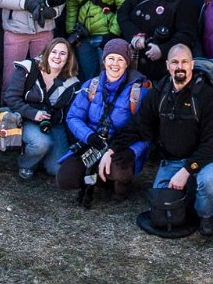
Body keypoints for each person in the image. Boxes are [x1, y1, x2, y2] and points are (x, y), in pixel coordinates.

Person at [102, 44, 213, 236]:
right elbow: (138, 127)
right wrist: (111, 150)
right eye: (175, 62)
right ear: (168, 65)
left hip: (205, 159)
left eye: (184, 62)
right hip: (172, 160)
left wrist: (187, 170)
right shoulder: (159, 93)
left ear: (191, 65)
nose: (180, 67)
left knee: (211, 184)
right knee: (160, 204)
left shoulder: (208, 97)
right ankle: (190, 193)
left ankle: (206, 215)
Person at [56, 39, 150, 203]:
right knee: (65, 179)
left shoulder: (138, 91)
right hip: (93, 142)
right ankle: (99, 179)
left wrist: (132, 152)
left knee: (119, 170)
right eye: (111, 58)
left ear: (127, 63)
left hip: (120, 146)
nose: (115, 64)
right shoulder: (91, 85)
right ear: (104, 60)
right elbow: (73, 117)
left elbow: (146, 130)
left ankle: (120, 187)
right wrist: (89, 136)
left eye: (121, 59)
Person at [2, 38, 81, 180]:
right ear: (47, 53)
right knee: (41, 143)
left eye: (62, 53)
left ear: (68, 58)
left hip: (52, 124)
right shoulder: (28, 68)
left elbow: (68, 114)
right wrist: (33, 113)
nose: (57, 57)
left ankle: (42, 156)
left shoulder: (72, 82)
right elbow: (11, 98)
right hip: (26, 117)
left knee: (57, 169)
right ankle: (27, 164)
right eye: (54, 52)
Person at [117, 0, 197, 81]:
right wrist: (135, 36)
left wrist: (163, 50)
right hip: (134, 63)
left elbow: (186, 33)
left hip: (161, 70)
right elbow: (122, 15)